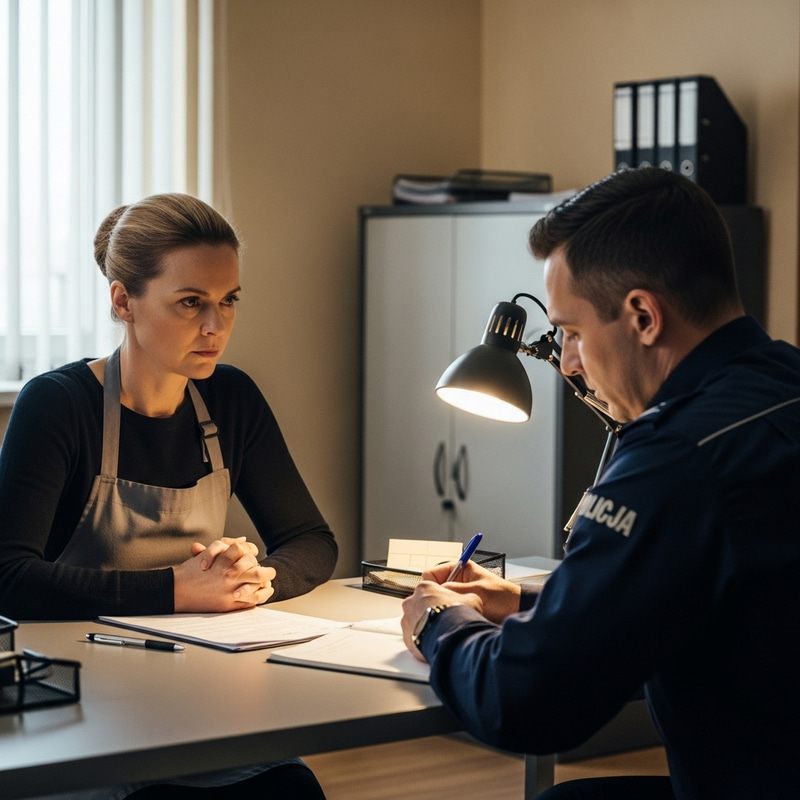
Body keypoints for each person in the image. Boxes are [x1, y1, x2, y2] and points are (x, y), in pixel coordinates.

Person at [399, 167, 800, 799]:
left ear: (642, 315)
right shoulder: (782, 387)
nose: (570, 362)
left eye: (573, 332)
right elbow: (700, 598)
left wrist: (438, 623)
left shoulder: (676, 454)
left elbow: (528, 700)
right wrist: (530, 604)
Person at [0, 193, 337, 798]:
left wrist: (252, 578)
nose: (216, 327)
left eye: (228, 301)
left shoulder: (230, 398)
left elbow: (312, 541)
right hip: (83, 703)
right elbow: (8, 576)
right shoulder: (57, 404)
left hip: (201, 689)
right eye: (190, 303)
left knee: (291, 790)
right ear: (124, 301)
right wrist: (178, 590)